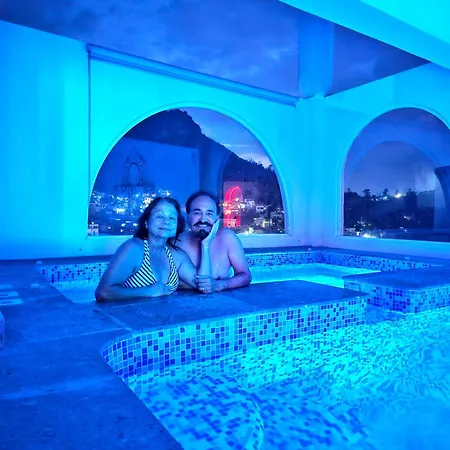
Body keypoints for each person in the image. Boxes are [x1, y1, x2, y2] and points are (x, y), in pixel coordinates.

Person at [95, 197, 217, 302]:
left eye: (172, 218)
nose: (166, 222)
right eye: (160, 216)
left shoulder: (176, 256)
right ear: (146, 222)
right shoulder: (133, 249)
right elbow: (103, 292)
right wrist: (147, 291)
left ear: (177, 226)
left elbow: (204, 286)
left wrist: (205, 245)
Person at [177, 191, 252, 294]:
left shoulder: (227, 238)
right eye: (197, 213)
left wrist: (219, 285)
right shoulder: (177, 243)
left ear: (217, 218)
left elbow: (245, 276)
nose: (203, 219)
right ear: (188, 216)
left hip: (221, 302)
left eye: (209, 213)